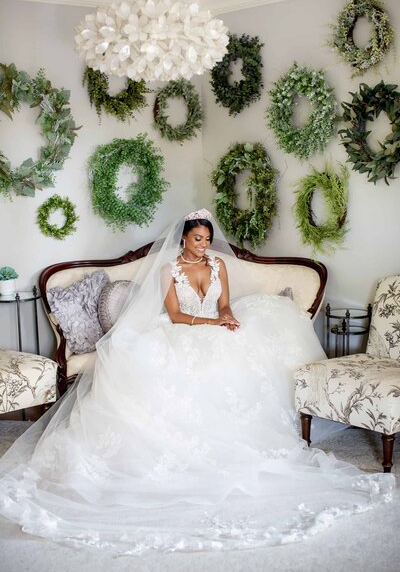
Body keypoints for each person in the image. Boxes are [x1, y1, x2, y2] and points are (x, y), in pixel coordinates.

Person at [0, 209, 394, 555]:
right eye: (197, 239)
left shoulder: (218, 265)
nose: (203, 246)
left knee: (248, 357)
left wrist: (228, 317)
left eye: (207, 239)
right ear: (183, 238)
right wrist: (211, 322)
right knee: (174, 371)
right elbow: (173, 316)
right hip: (182, 330)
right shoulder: (168, 269)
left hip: (215, 327)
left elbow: (224, 303)